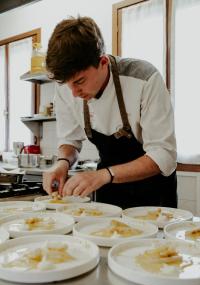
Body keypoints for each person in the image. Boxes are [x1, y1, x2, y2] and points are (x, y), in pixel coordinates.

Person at [43, 16, 177, 209]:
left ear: (103, 62)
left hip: (153, 192)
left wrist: (104, 175)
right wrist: (62, 162)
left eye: (80, 81)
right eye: (67, 84)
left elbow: (163, 154)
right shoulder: (67, 86)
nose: (74, 92)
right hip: (109, 189)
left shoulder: (144, 79)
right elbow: (70, 140)